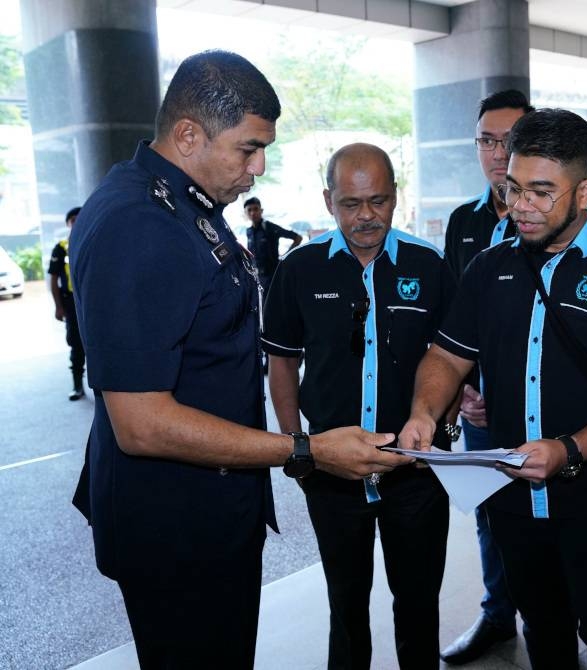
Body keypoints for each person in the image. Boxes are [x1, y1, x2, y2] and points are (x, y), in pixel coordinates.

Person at [69, 50, 411, 669]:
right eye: (248, 149)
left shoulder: (184, 205)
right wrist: (307, 448)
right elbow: (141, 423)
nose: (258, 169)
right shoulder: (140, 224)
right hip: (176, 525)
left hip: (208, 510)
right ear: (189, 134)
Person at [401, 108, 587, 669]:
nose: (521, 205)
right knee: (541, 627)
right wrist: (424, 412)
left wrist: (568, 449)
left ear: (584, 192)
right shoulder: (489, 267)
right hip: (509, 495)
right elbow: (446, 354)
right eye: (513, 189)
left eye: (542, 192)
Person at [262, 143, 453, 669]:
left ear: (396, 198)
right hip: (331, 470)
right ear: (328, 200)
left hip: (416, 471)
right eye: (351, 203)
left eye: (379, 201)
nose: (366, 216)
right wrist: (296, 446)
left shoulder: (430, 265)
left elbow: (452, 359)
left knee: (418, 603)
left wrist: (445, 425)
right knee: (345, 603)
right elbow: (282, 362)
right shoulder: (298, 269)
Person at [440, 88, 533, 665]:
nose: (498, 154)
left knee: (549, 519)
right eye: (488, 141)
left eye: (511, 141)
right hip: (479, 409)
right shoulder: (463, 222)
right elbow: (455, 319)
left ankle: (557, 620)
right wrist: (463, 388)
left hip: (547, 408)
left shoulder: (554, 215)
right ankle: (498, 614)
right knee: (489, 512)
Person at [48, 206, 85, 400]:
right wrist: (58, 306)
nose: (76, 222)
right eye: (73, 220)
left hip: (91, 303)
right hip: (71, 303)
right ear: (68, 224)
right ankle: (77, 385)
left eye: (80, 218)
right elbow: (53, 278)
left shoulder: (92, 240)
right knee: (76, 344)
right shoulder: (61, 248)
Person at [244, 196, 301, 295]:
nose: (253, 213)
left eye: (255, 209)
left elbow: (298, 238)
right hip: (258, 276)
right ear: (246, 213)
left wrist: (284, 257)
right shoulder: (249, 231)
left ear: (261, 211)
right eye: (249, 210)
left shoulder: (270, 228)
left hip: (273, 274)